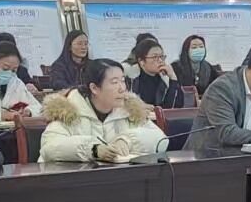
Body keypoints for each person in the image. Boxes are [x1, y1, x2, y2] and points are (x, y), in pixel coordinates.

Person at [39, 58, 169, 163]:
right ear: (94, 88)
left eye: (123, 81)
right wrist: (93, 149)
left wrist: (127, 140)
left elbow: (161, 140)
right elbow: (49, 147)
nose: (122, 88)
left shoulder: (130, 110)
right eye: (114, 82)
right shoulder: (68, 112)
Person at [126, 37, 184, 109]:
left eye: (161, 56)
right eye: (155, 57)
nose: (160, 60)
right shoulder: (130, 80)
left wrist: (173, 78)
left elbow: (175, 107)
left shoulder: (165, 79)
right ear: (141, 61)